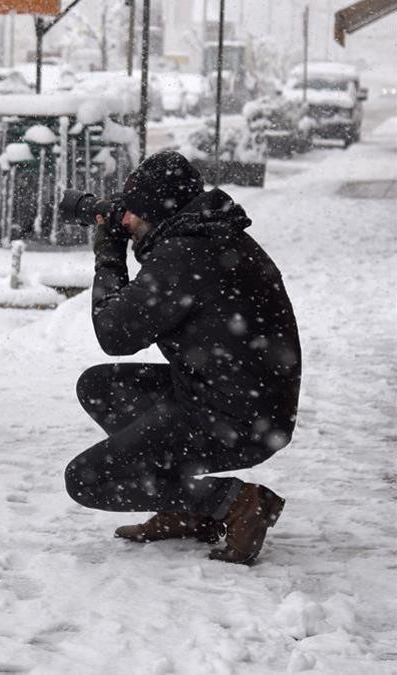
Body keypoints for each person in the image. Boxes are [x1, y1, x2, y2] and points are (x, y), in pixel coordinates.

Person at [64, 150, 302, 565]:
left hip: (236, 418)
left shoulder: (186, 254)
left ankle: (236, 503)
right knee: (101, 387)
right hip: (240, 400)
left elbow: (114, 332)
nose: (127, 223)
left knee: (88, 480)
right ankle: (186, 510)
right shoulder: (210, 236)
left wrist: (108, 253)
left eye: (133, 213)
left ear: (157, 211)